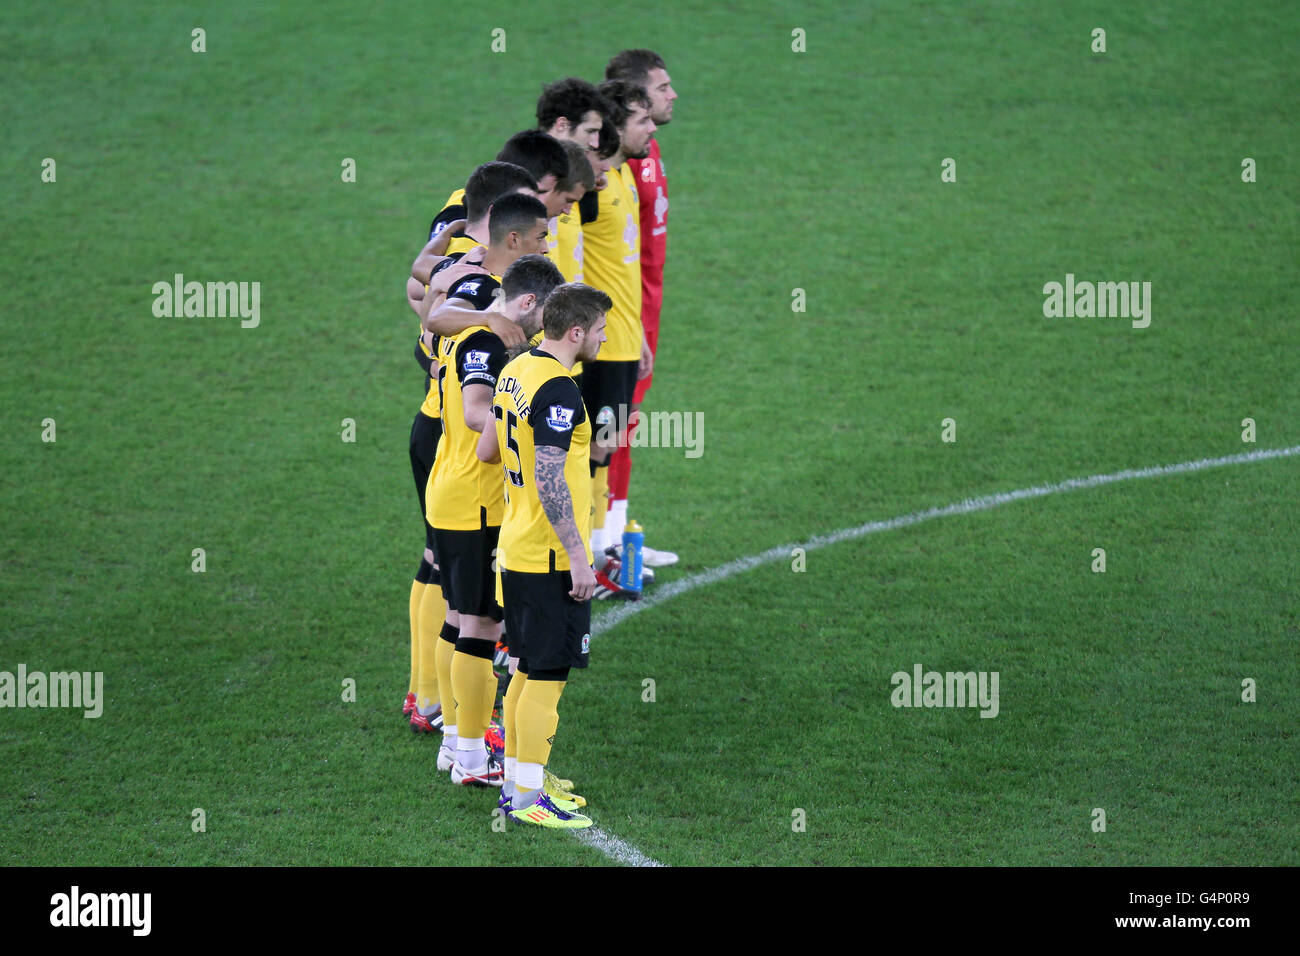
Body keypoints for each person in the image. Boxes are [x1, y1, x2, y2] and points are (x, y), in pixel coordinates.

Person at [476, 282, 612, 827]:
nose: (604, 339)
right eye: (600, 331)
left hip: (515, 544)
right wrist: (580, 557)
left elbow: (489, 448)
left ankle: (520, 779)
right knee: (548, 674)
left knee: (527, 669)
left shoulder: (517, 368)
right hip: (549, 556)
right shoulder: (558, 389)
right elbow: (549, 473)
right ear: (576, 332)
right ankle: (529, 800)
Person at [576, 79, 656, 579]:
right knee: (593, 449)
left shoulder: (623, 177)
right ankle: (580, 552)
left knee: (605, 447)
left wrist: (641, 334)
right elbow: (575, 263)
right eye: (642, 120)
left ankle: (598, 549)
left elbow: (623, 267)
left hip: (625, 342)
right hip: (600, 348)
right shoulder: (593, 191)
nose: (651, 128)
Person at [603, 50, 680, 568]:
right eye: (663, 88)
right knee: (608, 424)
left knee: (623, 425)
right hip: (618, 317)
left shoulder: (645, 153)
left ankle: (612, 531)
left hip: (642, 309)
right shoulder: (613, 166)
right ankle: (598, 539)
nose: (672, 96)